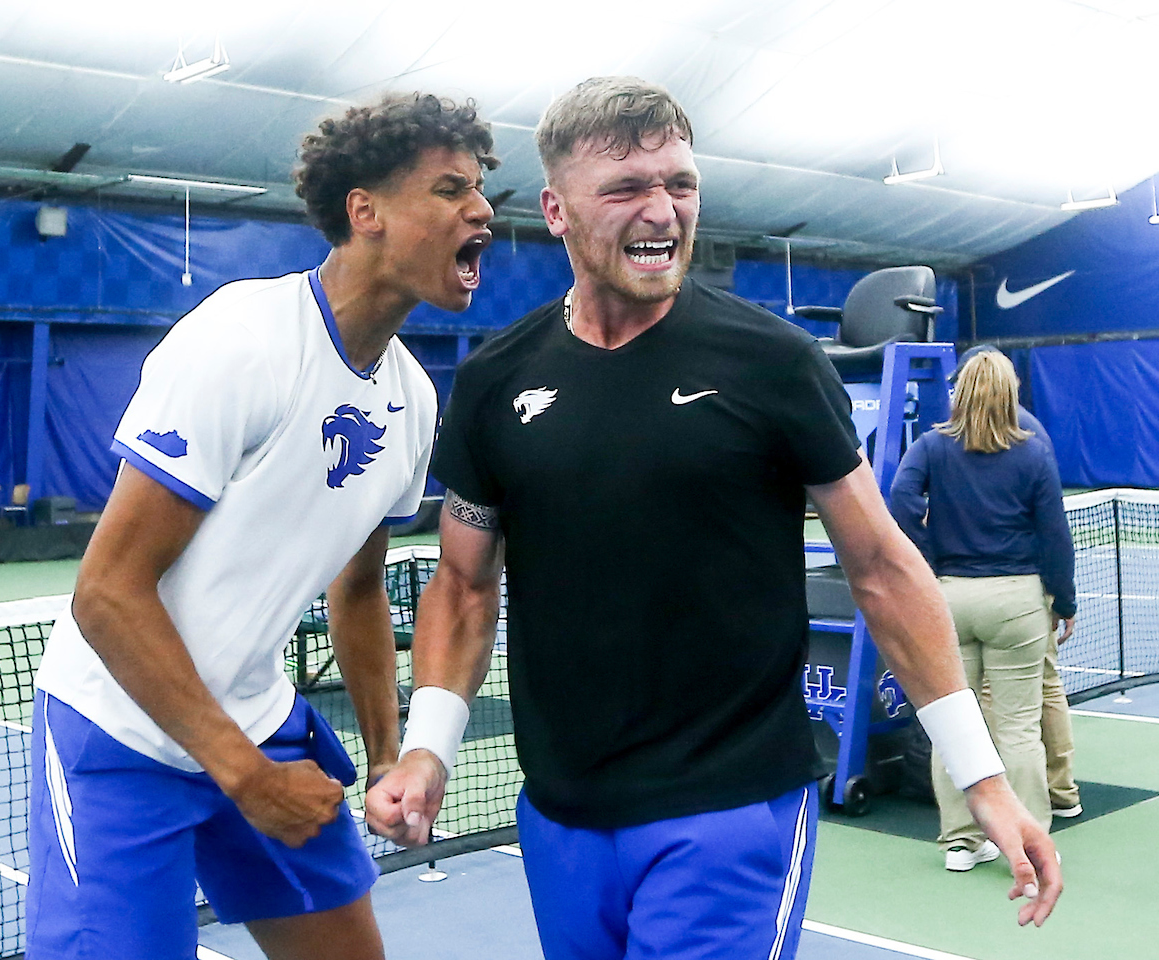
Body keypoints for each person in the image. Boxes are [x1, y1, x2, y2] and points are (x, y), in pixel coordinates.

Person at [367, 77, 1062, 959]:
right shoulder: (496, 380)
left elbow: (883, 569)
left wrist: (984, 779)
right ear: (557, 210)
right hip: (560, 816)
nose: (662, 210)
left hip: (734, 814)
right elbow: (464, 584)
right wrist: (428, 749)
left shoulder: (772, 361)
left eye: (680, 184)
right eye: (625, 189)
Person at [26, 92, 497, 960]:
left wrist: (390, 753)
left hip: (255, 723)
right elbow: (105, 594)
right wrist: (246, 781)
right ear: (367, 213)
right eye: (449, 189)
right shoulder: (241, 341)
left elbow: (357, 586)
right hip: (120, 734)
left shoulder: (413, 399)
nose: (482, 211)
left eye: (480, 190)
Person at [891, 350, 1077, 872]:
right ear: (1010, 396)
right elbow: (1055, 538)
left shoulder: (930, 446)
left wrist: (928, 561)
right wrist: (1064, 602)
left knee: (956, 726)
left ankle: (961, 840)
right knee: (1018, 727)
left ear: (961, 392)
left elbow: (900, 502)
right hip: (1016, 604)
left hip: (948, 599)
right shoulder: (1034, 453)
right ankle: (1032, 839)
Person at [951, 345, 1082, 819]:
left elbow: (1051, 528)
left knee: (1003, 702)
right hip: (1021, 589)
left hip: (1011, 584)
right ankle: (1057, 794)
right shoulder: (1022, 434)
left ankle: (1035, 801)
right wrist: (1063, 596)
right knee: (1038, 689)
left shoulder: (1004, 436)